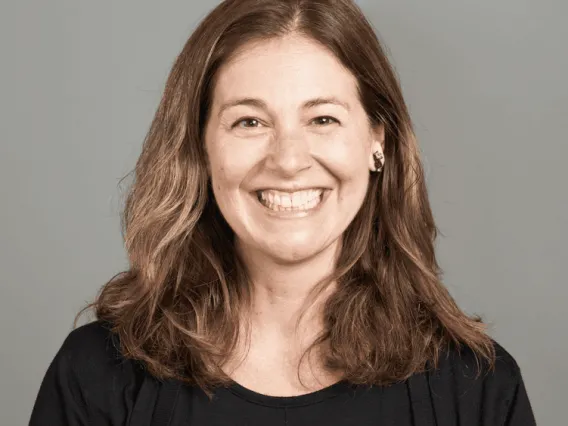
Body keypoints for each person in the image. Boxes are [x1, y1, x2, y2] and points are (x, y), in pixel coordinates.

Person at [29, 0, 537, 425]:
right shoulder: (96, 376)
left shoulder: (477, 389)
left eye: (322, 118)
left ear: (376, 140)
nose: (289, 160)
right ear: (201, 149)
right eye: (249, 121)